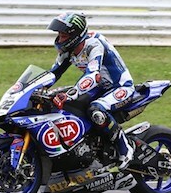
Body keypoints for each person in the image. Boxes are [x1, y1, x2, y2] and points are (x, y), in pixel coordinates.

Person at [46, 12, 136, 169]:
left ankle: (125, 147)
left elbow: (93, 75)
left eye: (63, 35)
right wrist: (34, 88)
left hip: (120, 87)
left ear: (74, 35)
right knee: (64, 104)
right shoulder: (69, 49)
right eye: (58, 34)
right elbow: (53, 73)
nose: (59, 39)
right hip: (100, 89)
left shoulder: (94, 44)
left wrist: (71, 92)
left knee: (96, 110)